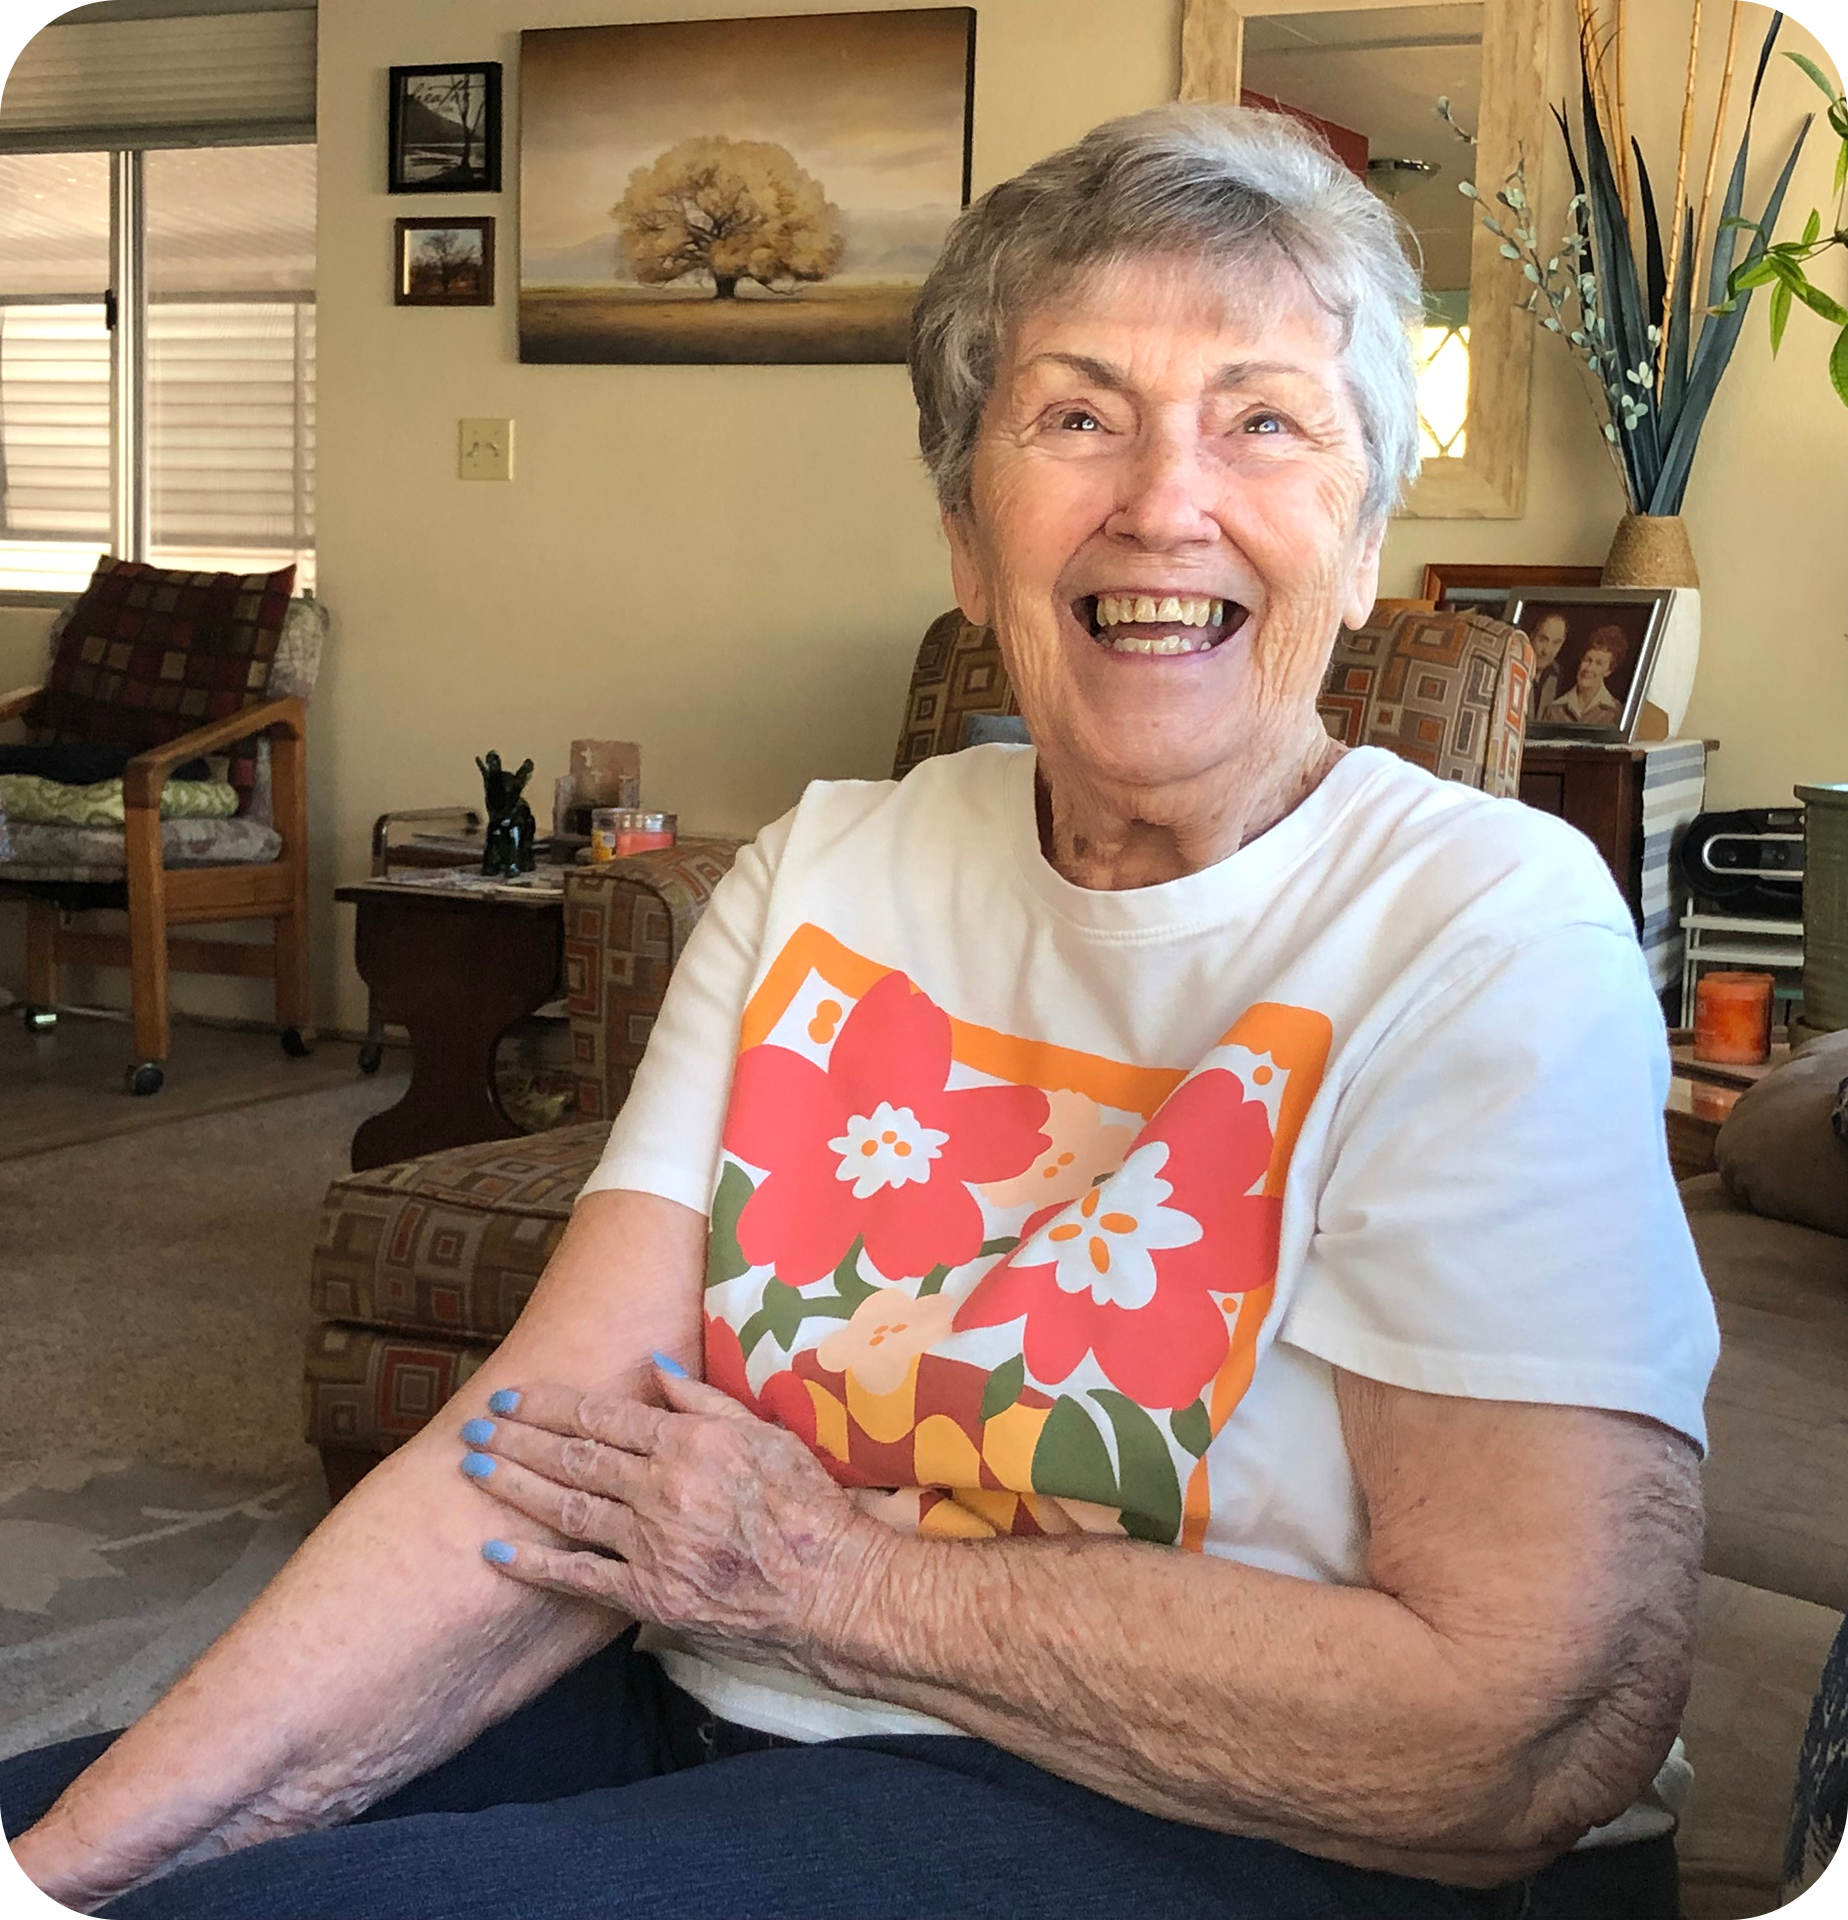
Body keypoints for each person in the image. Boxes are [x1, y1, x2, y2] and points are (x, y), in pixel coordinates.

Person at [4, 105, 1715, 1920]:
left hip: (1229, 1812)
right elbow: (541, 1450)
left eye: (1263, 421)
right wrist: (75, 1857)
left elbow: (1520, 1729)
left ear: (1360, 538)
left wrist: (833, 1584)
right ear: (968, 539)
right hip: (722, 1700)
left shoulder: (1482, 925)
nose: (1163, 501)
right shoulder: (822, 872)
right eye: (1076, 418)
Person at [1541, 625, 1630, 728]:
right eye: (1587, 660)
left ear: (1609, 671)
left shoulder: (1616, 713)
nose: (1589, 668)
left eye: (1599, 663)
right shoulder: (1554, 709)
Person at [1528, 610, 1569, 718]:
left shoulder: (1558, 674)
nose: (1547, 651)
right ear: (1532, 635)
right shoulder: (1512, 666)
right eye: (1542, 640)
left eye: (1556, 643)